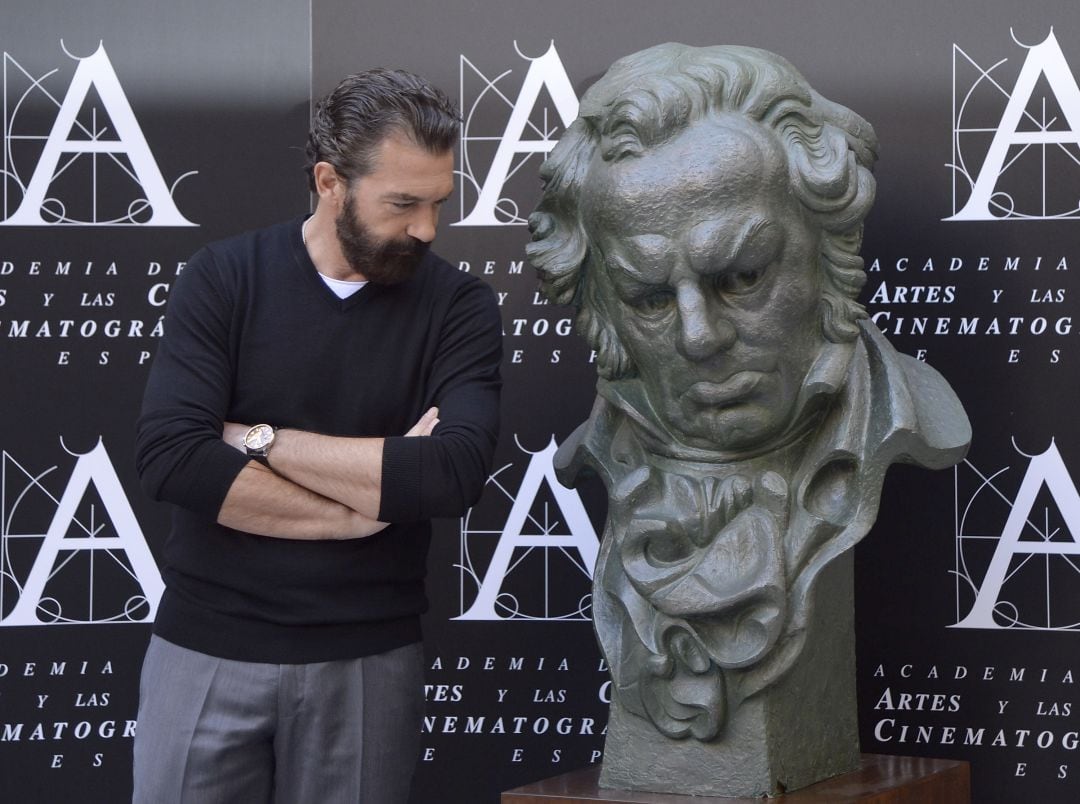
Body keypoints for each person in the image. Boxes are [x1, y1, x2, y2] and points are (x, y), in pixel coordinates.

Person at [526, 43, 969, 795]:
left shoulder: (903, 412)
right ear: (602, 309)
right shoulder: (611, 439)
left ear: (830, 252)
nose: (699, 337)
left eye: (741, 277)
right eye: (649, 298)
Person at [132, 68, 502, 803]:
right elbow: (174, 459)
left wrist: (257, 440)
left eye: (438, 204)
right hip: (206, 647)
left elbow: (449, 474)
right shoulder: (224, 279)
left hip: (369, 660)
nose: (426, 229)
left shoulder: (459, 306)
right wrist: (356, 510)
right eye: (403, 204)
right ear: (331, 181)